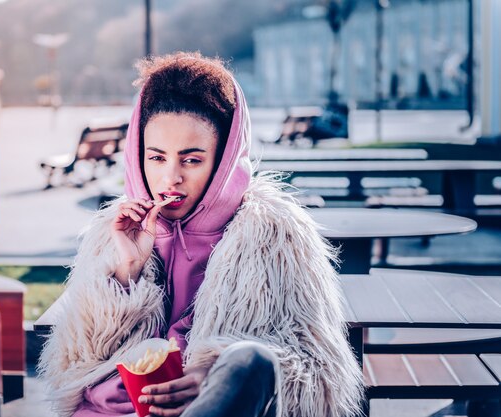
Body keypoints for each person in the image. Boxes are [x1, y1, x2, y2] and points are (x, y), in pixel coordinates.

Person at [39, 52, 364, 417]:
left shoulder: (275, 236)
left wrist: (214, 375)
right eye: (157, 158)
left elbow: (315, 370)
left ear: (223, 159)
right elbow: (76, 365)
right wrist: (125, 272)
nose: (171, 178)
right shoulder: (113, 233)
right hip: (117, 410)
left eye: (191, 160)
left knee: (250, 360)